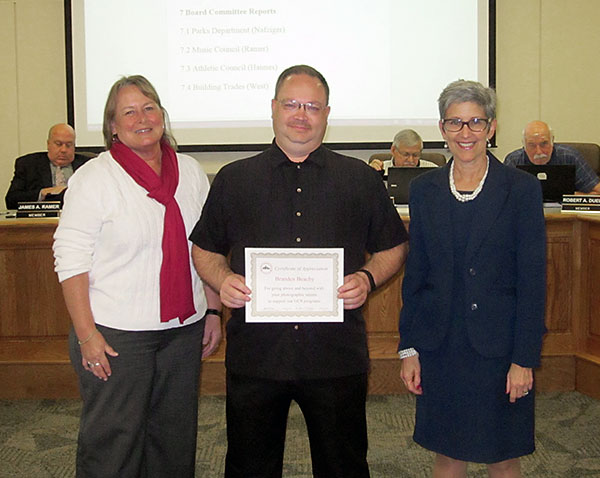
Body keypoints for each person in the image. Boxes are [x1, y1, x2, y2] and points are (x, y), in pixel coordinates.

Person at [189, 64, 408, 478]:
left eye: (312, 106)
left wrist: (367, 278)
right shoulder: (235, 180)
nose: (300, 114)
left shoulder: (360, 180)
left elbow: (393, 246)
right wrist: (222, 281)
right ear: (273, 108)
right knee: (250, 468)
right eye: (291, 104)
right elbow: (204, 249)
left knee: (343, 466)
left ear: (327, 114)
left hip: (334, 356)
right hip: (257, 357)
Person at [53, 75, 222, 478]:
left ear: (162, 114)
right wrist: (87, 335)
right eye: (129, 111)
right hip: (116, 335)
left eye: (149, 107)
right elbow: (70, 257)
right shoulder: (94, 178)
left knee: (173, 441)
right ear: (112, 125)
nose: (141, 118)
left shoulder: (191, 171)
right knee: (114, 442)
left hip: (183, 330)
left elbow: (207, 246)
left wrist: (212, 311)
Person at [399, 80, 547, 478]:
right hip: (440, 344)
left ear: (492, 127)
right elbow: (417, 275)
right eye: (455, 123)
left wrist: (524, 359)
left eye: (475, 123)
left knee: (502, 455)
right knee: (447, 454)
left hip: (499, 349)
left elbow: (533, 282)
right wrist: (408, 347)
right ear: (442, 128)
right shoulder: (423, 190)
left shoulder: (521, 190)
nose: (465, 134)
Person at [5, 123, 91, 209]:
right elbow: (11, 200)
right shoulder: (28, 165)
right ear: (48, 144)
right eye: (58, 144)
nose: (63, 150)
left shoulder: (87, 165)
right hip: (41, 220)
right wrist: (42, 194)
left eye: (69, 145)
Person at [504, 120, 600, 194]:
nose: (539, 151)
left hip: (564, 217)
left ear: (552, 141)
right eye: (532, 145)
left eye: (544, 144)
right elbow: (502, 195)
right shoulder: (513, 161)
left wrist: (569, 196)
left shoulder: (569, 157)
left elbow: (597, 191)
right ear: (524, 145)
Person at [369, 129, 438, 174]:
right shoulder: (380, 170)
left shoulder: (433, 171)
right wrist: (368, 173)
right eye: (406, 154)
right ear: (393, 150)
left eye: (415, 155)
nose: (411, 160)